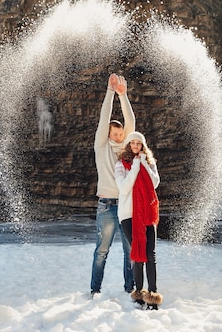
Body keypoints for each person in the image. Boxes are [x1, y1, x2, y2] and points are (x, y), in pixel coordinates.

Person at [90, 73, 135, 297]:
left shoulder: (126, 149)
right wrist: (110, 92)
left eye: (120, 134)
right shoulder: (101, 147)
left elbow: (131, 123)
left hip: (127, 205)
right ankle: (95, 289)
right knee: (102, 251)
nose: (117, 136)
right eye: (114, 133)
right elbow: (103, 117)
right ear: (108, 134)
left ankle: (130, 289)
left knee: (130, 251)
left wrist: (123, 96)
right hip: (106, 205)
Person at [115, 131, 162, 310]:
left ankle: (152, 294)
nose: (135, 146)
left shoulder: (149, 162)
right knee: (138, 255)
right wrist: (135, 164)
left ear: (143, 146)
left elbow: (154, 183)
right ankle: (139, 294)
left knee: (150, 254)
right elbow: (124, 187)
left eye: (139, 143)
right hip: (129, 214)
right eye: (132, 143)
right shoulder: (121, 164)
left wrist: (143, 162)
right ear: (128, 145)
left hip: (148, 213)